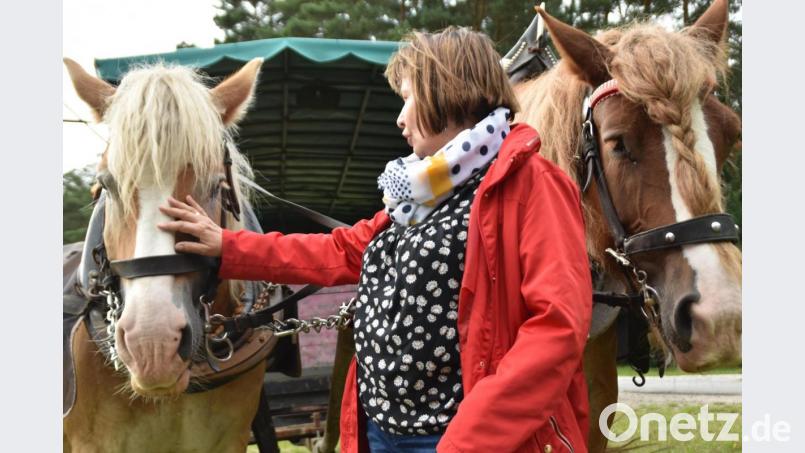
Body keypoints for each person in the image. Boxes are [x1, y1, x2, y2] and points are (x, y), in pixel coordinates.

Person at [159, 27, 592, 453]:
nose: (400, 118)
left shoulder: (534, 184)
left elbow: (556, 329)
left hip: (462, 439)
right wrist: (228, 245)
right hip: (378, 430)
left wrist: (466, 444)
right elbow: (340, 250)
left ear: (448, 89)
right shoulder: (421, 194)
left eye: (408, 98)